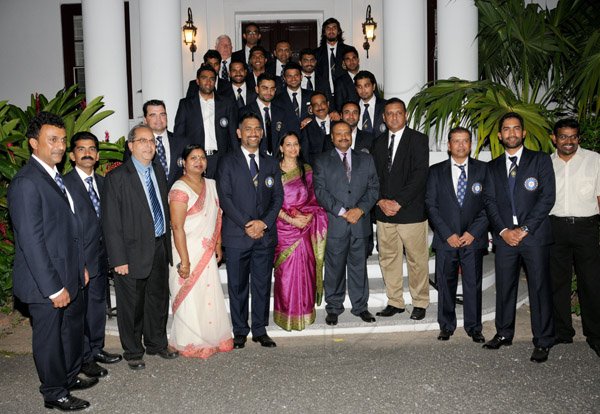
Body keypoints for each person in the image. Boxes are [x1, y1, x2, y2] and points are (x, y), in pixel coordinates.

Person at [8, 112, 94, 411]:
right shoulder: (27, 183)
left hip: (68, 271)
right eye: (52, 140)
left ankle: (68, 377)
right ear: (34, 143)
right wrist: (53, 288)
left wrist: (80, 265)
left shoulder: (55, 176)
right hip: (44, 281)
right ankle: (54, 392)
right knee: (48, 339)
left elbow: (68, 228)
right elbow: (32, 242)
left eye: (62, 139)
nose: (60, 145)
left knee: (69, 331)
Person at [102, 124, 178, 371]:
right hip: (130, 253)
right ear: (131, 145)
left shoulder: (158, 171)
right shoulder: (117, 177)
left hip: (158, 246)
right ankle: (133, 350)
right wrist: (118, 259)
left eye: (152, 142)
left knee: (157, 299)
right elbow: (111, 223)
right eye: (143, 141)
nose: (149, 145)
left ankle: (156, 343)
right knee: (132, 305)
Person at [483, 112, 555, 363]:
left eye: (516, 128)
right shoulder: (491, 166)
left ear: (523, 133)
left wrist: (523, 230)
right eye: (506, 129)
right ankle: (503, 333)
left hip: (534, 237)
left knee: (539, 288)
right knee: (504, 287)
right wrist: (504, 231)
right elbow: (489, 202)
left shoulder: (541, 160)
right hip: (505, 238)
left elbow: (547, 199)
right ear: (500, 135)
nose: (511, 133)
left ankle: (544, 340)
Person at [216, 113, 284, 349]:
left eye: (257, 129)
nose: (253, 133)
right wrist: (248, 223)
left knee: (262, 283)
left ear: (262, 133)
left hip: (264, 235)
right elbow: (225, 198)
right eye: (248, 129)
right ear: (239, 133)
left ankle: (259, 329)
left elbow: (278, 198)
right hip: (237, 235)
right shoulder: (227, 162)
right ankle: (240, 330)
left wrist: (263, 223)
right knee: (237, 285)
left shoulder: (270, 162)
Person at [63, 132, 122, 380]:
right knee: (80, 312)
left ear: (97, 155)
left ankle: (96, 349)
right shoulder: (64, 184)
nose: (86, 153)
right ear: (72, 154)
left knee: (97, 307)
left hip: (100, 257)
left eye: (91, 149)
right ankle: (84, 357)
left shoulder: (103, 182)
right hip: (79, 259)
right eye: (81, 149)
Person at [168, 145, 234, 357]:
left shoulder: (212, 185)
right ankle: (190, 341)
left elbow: (217, 216)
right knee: (189, 296)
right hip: (186, 250)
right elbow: (177, 227)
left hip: (206, 249)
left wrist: (217, 244)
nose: (199, 161)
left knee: (207, 293)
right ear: (184, 163)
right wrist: (185, 261)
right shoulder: (179, 188)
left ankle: (211, 337)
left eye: (202, 158)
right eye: (193, 158)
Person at [425, 127, 488, 342]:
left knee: (473, 284)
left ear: (471, 144)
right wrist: (447, 234)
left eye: (465, 141)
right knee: (446, 283)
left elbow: (489, 205)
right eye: (456, 141)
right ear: (449, 145)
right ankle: (446, 325)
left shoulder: (483, 170)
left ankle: (474, 327)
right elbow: (431, 206)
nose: (461, 145)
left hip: (473, 239)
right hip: (446, 240)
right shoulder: (435, 171)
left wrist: (473, 232)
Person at [313, 121, 379, 325]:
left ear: (352, 135)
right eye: (338, 134)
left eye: (346, 133)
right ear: (331, 137)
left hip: (360, 223)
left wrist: (359, 210)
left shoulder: (366, 159)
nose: (343, 137)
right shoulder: (322, 160)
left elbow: (374, 188)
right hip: (336, 223)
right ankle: (333, 307)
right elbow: (320, 191)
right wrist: (342, 211)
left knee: (359, 267)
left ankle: (360, 307)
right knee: (334, 268)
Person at [371, 98, 430, 321]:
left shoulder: (418, 140)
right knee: (388, 259)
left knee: (417, 260)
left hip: (411, 212)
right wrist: (380, 201)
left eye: (398, 113)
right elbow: (372, 177)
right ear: (384, 118)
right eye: (389, 113)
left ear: (406, 115)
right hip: (383, 213)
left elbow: (419, 175)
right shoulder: (377, 143)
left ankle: (420, 302)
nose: (394, 117)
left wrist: (398, 202)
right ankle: (395, 301)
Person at [549, 118, 600, 358]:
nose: (568, 141)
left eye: (573, 137)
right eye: (563, 137)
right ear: (554, 138)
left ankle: (595, 335)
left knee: (590, 282)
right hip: (555, 227)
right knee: (557, 281)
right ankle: (562, 332)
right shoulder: (546, 163)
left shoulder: (594, 160)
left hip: (586, 227)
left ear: (579, 138)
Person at [274, 132, 328, 331]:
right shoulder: (273, 171)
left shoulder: (306, 170)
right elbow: (268, 203)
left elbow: (315, 200)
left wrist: (310, 215)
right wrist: (290, 219)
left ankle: (304, 313)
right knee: (285, 274)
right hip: (283, 229)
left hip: (304, 227)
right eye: (288, 144)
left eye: (296, 144)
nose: (292, 148)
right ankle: (285, 313)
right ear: (281, 148)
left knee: (305, 271)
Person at [174, 64, 238, 178]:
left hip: (220, 159)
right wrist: (182, 161)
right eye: (204, 78)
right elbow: (179, 135)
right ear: (197, 81)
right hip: (195, 160)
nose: (208, 82)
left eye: (212, 79)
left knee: (220, 194)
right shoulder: (186, 104)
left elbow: (233, 134)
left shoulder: (226, 103)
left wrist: (236, 159)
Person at [239, 72, 299, 157]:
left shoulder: (281, 112)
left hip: (277, 160)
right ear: (257, 89)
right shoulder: (245, 111)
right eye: (265, 88)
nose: (269, 92)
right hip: (254, 158)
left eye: (272, 89)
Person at [142, 99, 184, 188]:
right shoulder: (136, 145)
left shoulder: (182, 142)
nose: (159, 119)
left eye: (162, 114)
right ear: (145, 120)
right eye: (153, 115)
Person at [314, 18, 353, 96]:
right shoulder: (316, 53)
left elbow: (355, 70)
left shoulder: (349, 50)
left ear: (338, 31)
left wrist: (349, 67)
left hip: (345, 94)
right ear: (324, 32)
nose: (331, 30)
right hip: (324, 96)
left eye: (334, 28)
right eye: (328, 28)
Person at [300, 91, 334, 164]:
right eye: (316, 105)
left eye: (322, 103)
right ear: (311, 108)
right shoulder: (306, 130)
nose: (320, 107)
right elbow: (305, 155)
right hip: (317, 171)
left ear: (328, 104)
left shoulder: (339, 124)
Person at [355, 70, 386, 136]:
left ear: (374, 86)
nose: (363, 90)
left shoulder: (385, 106)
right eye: (359, 87)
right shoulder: (352, 107)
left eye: (366, 86)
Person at [333, 46, 361, 112]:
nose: (351, 61)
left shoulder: (367, 77)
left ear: (358, 60)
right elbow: (339, 106)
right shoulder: (339, 81)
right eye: (348, 59)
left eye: (354, 58)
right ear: (344, 63)